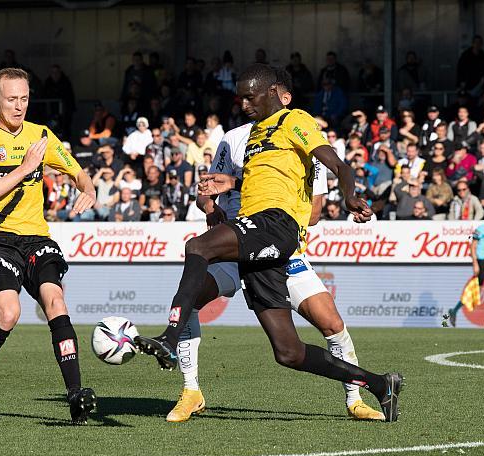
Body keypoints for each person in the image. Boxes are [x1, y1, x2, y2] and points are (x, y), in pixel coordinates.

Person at [134, 64, 402, 422]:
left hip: (275, 227)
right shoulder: (253, 136)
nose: (244, 103)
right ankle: (380, 384)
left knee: (197, 248)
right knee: (288, 352)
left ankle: (168, 337)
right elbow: (266, 180)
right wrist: (228, 186)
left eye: (250, 96)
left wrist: (351, 195)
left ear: (277, 93)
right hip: (254, 238)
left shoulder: (296, 121)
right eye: (240, 97)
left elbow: (337, 165)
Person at [0, 67, 97, 424]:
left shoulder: (41, 135)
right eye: (11, 99)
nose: (19, 106)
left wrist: (88, 187)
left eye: (24, 98)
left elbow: (75, 169)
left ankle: (75, 395)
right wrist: (24, 169)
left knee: (56, 301)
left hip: (36, 236)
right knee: (9, 313)